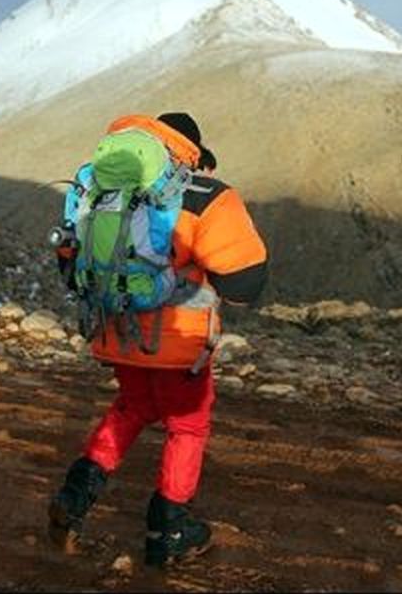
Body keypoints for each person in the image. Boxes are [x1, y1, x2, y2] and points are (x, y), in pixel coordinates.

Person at [48, 112, 268, 567]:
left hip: (115, 330)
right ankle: (170, 527)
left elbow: (69, 260)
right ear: (191, 152)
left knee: (134, 407)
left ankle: (75, 495)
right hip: (177, 343)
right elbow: (245, 286)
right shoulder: (206, 196)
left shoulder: (96, 186)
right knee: (187, 425)